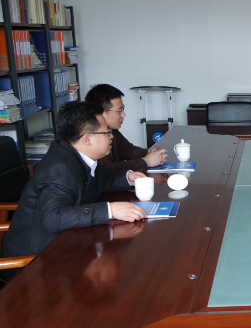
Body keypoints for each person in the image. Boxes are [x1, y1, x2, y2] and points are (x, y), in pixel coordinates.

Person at [2, 102, 149, 263]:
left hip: (66, 244)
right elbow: (53, 218)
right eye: (106, 132)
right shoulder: (60, 167)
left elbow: (97, 181)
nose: (111, 136)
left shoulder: (79, 154)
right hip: (35, 261)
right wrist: (109, 210)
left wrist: (127, 178)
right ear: (87, 139)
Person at [85, 84, 167, 172]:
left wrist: (149, 152)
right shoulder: (92, 138)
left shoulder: (112, 130)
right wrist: (146, 161)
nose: (123, 114)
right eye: (119, 110)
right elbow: (107, 170)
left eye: (123, 109)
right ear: (102, 113)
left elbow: (127, 150)